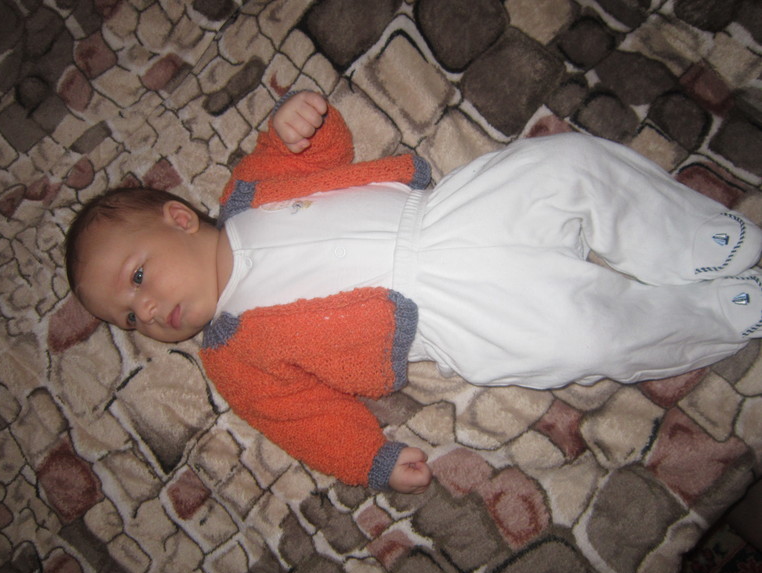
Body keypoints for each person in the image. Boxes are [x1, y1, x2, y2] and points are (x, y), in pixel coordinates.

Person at [64, 91, 762, 494]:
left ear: (179, 218)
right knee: (581, 338)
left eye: (137, 278)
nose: (145, 311)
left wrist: (295, 124)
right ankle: (715, 316)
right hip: (447, 315)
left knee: (567, 163)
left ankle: (695, 241)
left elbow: (326, 146)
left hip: (451, 214)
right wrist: (368, 460)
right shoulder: (233, 359)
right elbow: (302, 419)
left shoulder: (250, 189)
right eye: (128, 318)